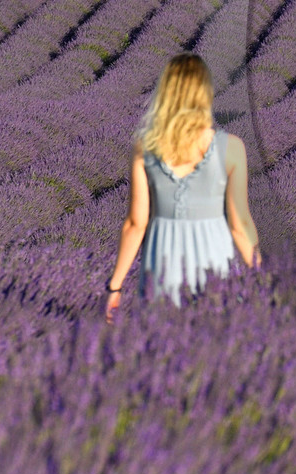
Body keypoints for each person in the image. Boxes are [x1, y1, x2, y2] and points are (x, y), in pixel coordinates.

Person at [106, 53, 260, 322]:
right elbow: (240, 225)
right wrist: (260, 276)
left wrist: (115, 286)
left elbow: (135, 224)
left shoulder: (145, 148)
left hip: (162, 263)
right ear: (205, 94)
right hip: (213, 262)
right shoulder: (232, 149)